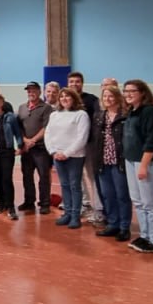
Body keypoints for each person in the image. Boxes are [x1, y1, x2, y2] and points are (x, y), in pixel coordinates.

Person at [123, 79, 153, 253]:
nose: (128, 94)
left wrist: (143, 165)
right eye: (126, 91)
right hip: (131, 161)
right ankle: (145, 235)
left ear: (142, 92)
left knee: (150, 203)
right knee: (138, 201)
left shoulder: (150, 111)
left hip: (146, 163)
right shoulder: (132, 111)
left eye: (132, 91)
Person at [47, 88, 91, 230]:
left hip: (75, 157)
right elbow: (48, 134)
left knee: (74, 186)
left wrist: (67, 153)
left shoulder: (81, 115)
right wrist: (53, 151)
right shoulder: (54, 115)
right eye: (62, 96)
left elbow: (82, 138)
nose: (64, 99)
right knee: (64, 185)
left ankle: (75, 216)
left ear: (74, 98)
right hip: (57, 156)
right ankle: (67, 213)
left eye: (68, 96)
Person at [93, 86, 131, 242]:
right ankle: (113, 224)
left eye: (111, 96)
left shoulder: (125, 116)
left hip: (119, 161)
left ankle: (124, 227)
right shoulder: (99, 116)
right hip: (103, 161)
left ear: (117, 97)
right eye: (105, 96)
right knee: (107, 195)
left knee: (122, 195)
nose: (107, 99)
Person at [69, 71, 103, 224]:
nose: (74, 84)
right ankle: (84, 203)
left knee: (92, 176)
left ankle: (98, 208)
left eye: (77, 81)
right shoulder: (65, 99)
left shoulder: (92, 100)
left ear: (82, 83)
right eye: (71, 82)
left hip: (89, 144)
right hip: (71, 146)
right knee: (76, 177)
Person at [17, 81, 53, 214]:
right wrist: (25, 141)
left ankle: (45, 203)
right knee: (27, 176)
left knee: (43, 176)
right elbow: (19, 127)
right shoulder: (22, 107)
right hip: (26, 150)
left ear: (39, 91)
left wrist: (33, 140)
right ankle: (29, 202)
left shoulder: (47, 108)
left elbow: (46, 127)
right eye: (29, 91)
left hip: (41, 149)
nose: (31, 93)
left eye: (33, 90)